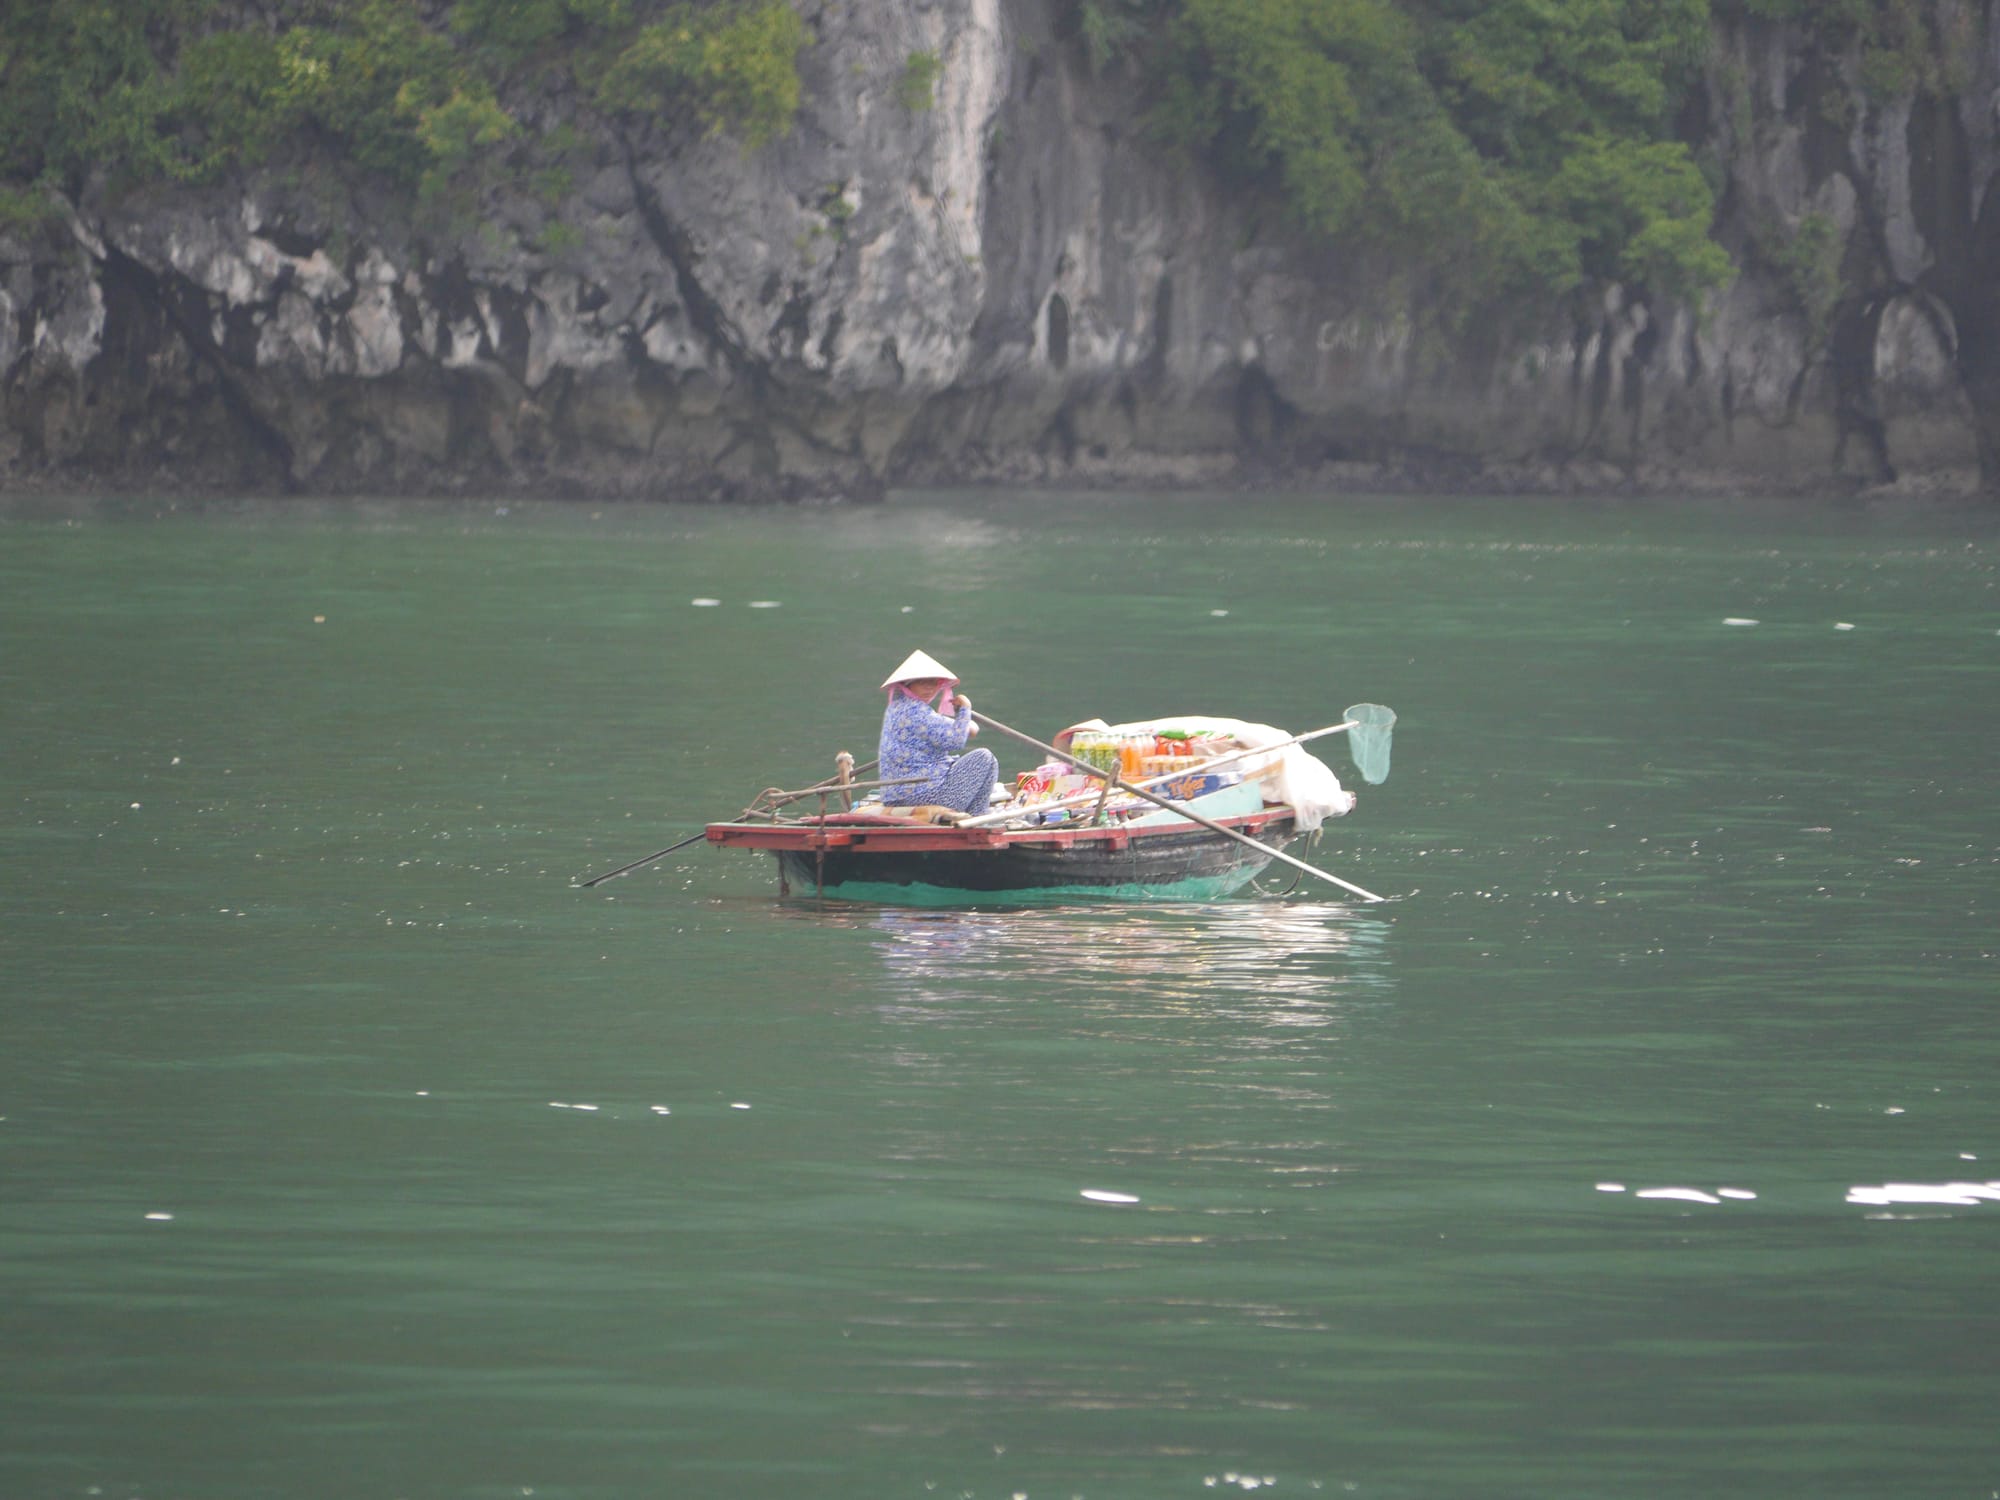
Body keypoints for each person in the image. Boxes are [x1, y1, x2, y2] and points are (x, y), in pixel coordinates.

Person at [877, 650, 999, 814]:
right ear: (908, 684)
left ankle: (975, 816)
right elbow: (956, 740)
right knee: (985, 758)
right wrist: (965, 709)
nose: (929, 688)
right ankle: (977, 818)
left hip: (899, 795)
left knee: (984, 762)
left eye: (933, 683)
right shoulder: (916, 712)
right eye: (922, 682)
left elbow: (966, 728)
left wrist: (964, 721)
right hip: (922, 794)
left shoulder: (897, 708)